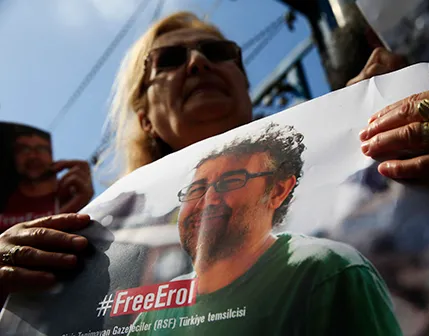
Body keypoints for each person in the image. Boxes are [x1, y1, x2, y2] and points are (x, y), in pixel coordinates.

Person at [0, 11, 429, 334]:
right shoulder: (104, 255)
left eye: (218, 53)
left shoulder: (370, 169)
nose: (197, 63)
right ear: (145, 115)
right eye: (169, 60)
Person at [131, 123, 401, 335]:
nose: (209, 199)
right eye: (197, 189)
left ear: (278, 191)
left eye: (231, 181)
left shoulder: (326, 273)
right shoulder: (156, 312)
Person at [0, 127, 94, 232]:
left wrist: (81, 207)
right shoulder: (5, 200)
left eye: (41, 149)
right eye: (23, 149)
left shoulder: (66, 195)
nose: (32, 156)